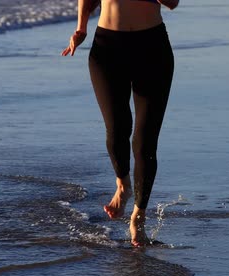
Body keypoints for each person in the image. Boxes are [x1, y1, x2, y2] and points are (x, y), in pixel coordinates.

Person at [62, 0, 178, 247]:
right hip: (107, 49)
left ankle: (138, 216)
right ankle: (122, 183)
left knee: (145, 141)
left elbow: (173, 3)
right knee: (117, 129)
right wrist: (81, 28)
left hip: (152, 49)